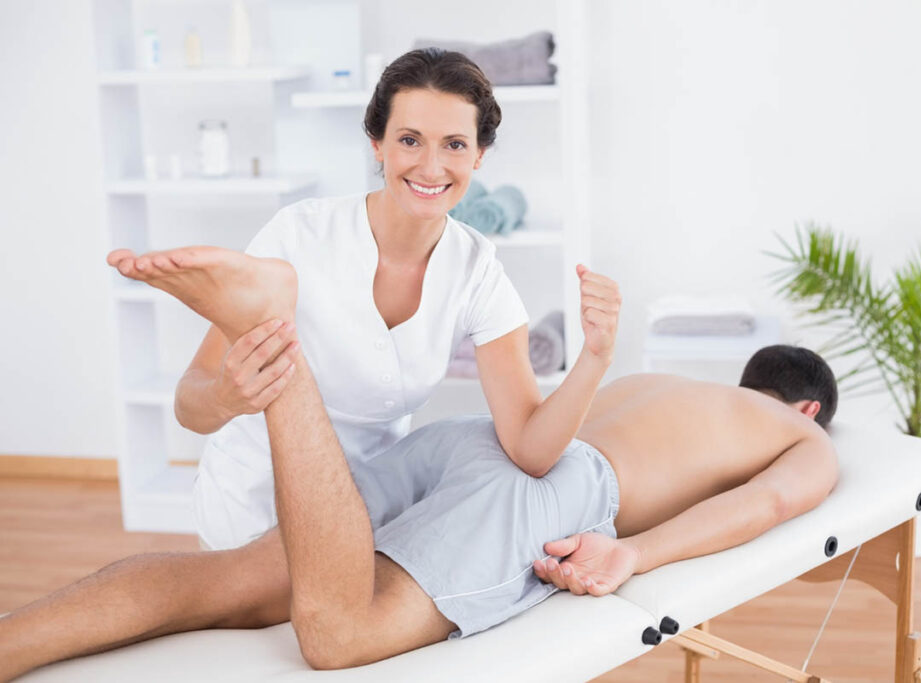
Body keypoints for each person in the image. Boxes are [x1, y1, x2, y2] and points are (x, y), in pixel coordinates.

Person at [0, 247, 838, 679]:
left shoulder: (669, 383)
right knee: (339, 635)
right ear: (806, 406)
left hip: (473, 437)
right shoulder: (802, 435)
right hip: (556, 483)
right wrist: (632, 553)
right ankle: (280, 347)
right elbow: (767, 508)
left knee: (233, 581)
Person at [169, 48, 622, 550]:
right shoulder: (299, 236)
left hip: (367, 515)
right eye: (410, 140)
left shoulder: (477, 272)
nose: (431, 167)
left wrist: (595, 357)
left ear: (478, 155)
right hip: (249, 510)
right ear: (377, 144)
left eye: (454, 144)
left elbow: (530, 448)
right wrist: (227, 398)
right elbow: (191, 404)